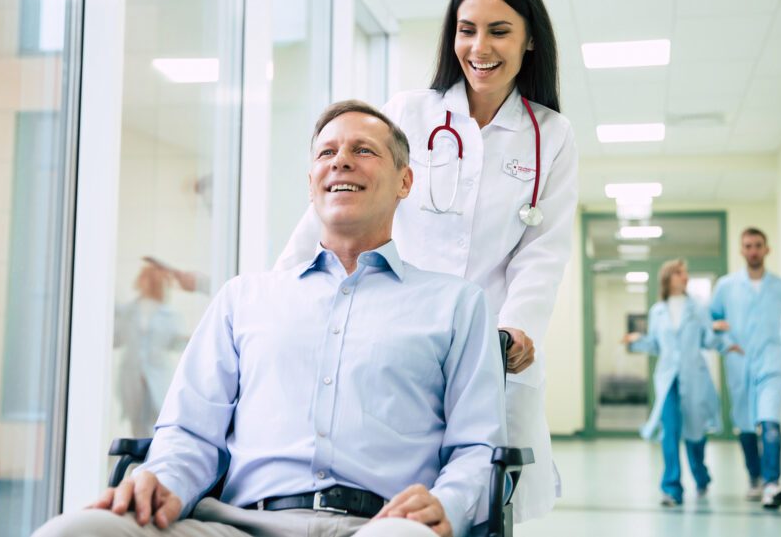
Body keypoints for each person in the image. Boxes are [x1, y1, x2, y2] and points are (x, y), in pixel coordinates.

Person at [34, 101, 506, 537]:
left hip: (380, 525)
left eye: (363, 150)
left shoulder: (456, 304)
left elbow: (477, 447)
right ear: (311, 182)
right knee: (74, 532)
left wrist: (447, 502)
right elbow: (191, 432)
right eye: (327, 152)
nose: (341, 161)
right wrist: (162, 480)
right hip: (237, 526)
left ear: (405, 182)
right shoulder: (244, 298)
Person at [277, 0, 579, 521]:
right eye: (466, 30)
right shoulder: (410, 112)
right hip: (396, 328)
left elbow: (543, 250)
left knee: (479, 498)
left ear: (530, 39)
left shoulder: (551, 135)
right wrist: (280, 292)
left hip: (490, 345)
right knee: (390, 487)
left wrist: (519, 329)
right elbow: (335, 208)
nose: (479, 47)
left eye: (499, 30)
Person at [623, 259, 738, 507]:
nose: (684, 277)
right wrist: (635, 340)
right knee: (670, 432)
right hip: (668, 379)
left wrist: (725, 340)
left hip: (694, 376)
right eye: (679, 273)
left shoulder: (698, 308)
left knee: (695, 434)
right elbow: (655, 344)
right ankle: (671, 488)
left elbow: (708, 339)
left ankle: (701, 476)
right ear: (667, 278)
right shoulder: (658, 311)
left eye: (685, 273)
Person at [709, 228, 781, 508]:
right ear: (741, 250)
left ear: (767, 249)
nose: (753, 250)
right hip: (740, 364)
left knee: (770, 422)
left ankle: (772, 483)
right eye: (748, 246)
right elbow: (713, 322)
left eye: (758, 245)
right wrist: (725, 342)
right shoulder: (726, 286)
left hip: (772, 362)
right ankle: (755, 478)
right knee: (745, 424)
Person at [114, 263, 188, 436]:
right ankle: (140, 461)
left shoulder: (170, 314)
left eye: (151, 279)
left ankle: (154, 459)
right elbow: (117, 339)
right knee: (136, 422)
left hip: (157, 373)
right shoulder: (128, 311)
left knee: (159, 420)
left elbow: (175, 343)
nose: (147, 282)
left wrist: (190, 339)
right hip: (132, 374)